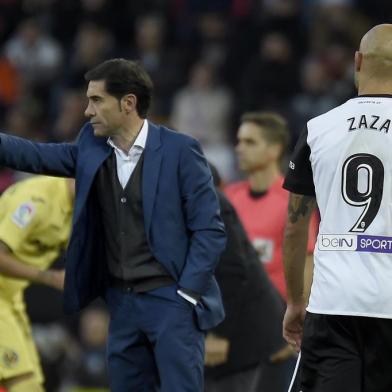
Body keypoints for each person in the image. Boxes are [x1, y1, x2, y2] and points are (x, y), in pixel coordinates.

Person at [0, 58, 226, 392]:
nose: (87, 110)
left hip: (171, 299)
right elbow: (34, 155)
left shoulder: (180, 151)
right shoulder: (92, 148)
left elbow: (209, 230)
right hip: (122, 304)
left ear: (128, 103)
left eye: (96, 100)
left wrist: (188, 295)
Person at [282, 24, 392, 392]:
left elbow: (295, 226)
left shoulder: (319, 128)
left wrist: (296, 300)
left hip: (334, 303)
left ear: (357, 61)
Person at [204, 165, 288, 392]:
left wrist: (219, 334)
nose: (240, 149)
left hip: (246, 331)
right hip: (224, 325)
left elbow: (232, 272)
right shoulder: (231, 196)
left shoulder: (212, 204)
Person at [0, 175, 74, 392]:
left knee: (32, 382)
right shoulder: (35, 199)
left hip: (11, 299)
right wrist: (50, 278)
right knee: (23, 383)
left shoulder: (81, 208)